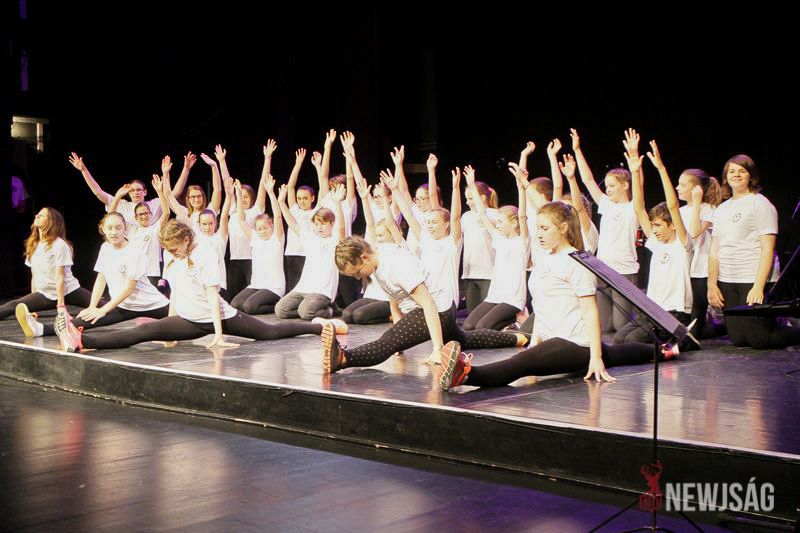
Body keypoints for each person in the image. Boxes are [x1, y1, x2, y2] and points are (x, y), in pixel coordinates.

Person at [438, 202, 655, 391]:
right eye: (538, 229)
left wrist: (595, 357)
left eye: (544, 228)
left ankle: (466, 375)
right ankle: (662, 352)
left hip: (576, 342)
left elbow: (590, 312)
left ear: (563, 228)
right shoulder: (544, 259)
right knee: (616, 354)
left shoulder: (577, 262)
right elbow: (541, 307)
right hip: (555, 339)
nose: (539, 234)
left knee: (523, 363)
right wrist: (535, 341)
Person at [54, 220, 330, 352]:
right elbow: (175, 292)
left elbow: (213, 297)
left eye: (174, 248)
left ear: (186, 240)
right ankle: (81, 341)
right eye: (168, 249)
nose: (171, 252)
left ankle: (318, 327)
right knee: (143, 332)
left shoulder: (205, 255)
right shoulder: (173, 258)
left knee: (269, 333)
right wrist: (170, 325)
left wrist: (218, 335)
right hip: (188, 319)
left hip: (220, 317)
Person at [322, 235, 528, 374]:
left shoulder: (395, 265)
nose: (358, 277)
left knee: (386, 343)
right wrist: (400, 338)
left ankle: (343, 358)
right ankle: (520, 338)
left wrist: (438, 348)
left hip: (436, 310)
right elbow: (394, 298)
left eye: (357, 272)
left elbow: (428, 303)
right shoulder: (378, 261)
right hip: (441, 307)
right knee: (463, 340)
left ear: (364, 257)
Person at [708, 154, 800, 349]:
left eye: (742, 171)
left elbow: (767, 248)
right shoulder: (722, 209)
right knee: (739, 340)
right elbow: (714, 250)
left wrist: (758, 287)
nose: (736, 175)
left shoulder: (760, 204)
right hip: (728, 278)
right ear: (726, 176)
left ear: (751, 176)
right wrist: (711, 284)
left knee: (760, 339)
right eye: (732, 171)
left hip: (753, 277)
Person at [613, 142, 697, 351]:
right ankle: (679, 339)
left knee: (632, 342)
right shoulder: (655, 243)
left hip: (673, 313)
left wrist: (660, 168)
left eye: (658, 225)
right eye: (653, 226)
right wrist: (635, 172)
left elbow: (673, 206)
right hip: (651, 310)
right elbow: (639, 208)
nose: (654, 230)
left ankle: (683, 337)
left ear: (672, 225)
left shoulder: (683, 245)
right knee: (619, 339)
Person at [574, 128, 640, 333]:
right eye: (607, 186)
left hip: (624, 272)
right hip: (603, 270)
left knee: (621, 326)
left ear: (625, 185)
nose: (607, 189)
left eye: (612, 185)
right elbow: (588, 180)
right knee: (603, 327)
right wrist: (577, 150)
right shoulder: (606, 205)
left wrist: (635, 162)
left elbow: (639, 188)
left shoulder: (633, 208)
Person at [462, 164, 528, 331]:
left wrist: (521, 187)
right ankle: (514, 325)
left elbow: (522, 215)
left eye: (500, 222)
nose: (497, 225)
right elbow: (482, 214)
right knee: (469, 326)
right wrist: (472, 185)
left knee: (483, 327)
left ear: (514, 223)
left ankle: (516, 317)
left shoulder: (522, 241)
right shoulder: (499, 239)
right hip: (495, 295)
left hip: (512, 298)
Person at [1, 207, 94, 321]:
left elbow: (60, 276)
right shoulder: (34, 245)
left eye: (41, 215)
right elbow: (35, 275)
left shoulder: (60, 244)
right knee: (12, 306)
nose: (36, 216)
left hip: (70, 291)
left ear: (51, 221)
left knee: (103, 307)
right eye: (37, 214)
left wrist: (61, 306)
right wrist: (32, 305)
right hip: (45, 295)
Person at [274, 182, 347, 320]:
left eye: (323, 224)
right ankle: (313, 309)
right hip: (303, 288)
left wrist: (337, 203)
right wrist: (281, 202)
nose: (319, 227)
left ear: (332, 224)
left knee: (305, 312)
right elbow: (292, 223)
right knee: (281, 310)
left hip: (322, 291)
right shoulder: (310, 238)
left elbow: (342, 229)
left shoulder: (334, 240)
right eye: (317, 224)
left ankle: (329, 310)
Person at [69, 151, 195, 228]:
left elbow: (175, 193)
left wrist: (186, 169)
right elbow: (98, 192)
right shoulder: (121, 204)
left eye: (139, 190)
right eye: (132, 190)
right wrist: (83, 170)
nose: (136, 192)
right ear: (128, 193)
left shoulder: (155, 204)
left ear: (145, 191)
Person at [229, 175, 286, 315]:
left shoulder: (277, 239)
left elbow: (278, 215)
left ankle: (278, 305)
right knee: (235, 305)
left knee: (249, 307)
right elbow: (241, 220)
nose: (262, 231)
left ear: (271, 226)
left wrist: (271, 193)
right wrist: (238, 195)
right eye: (259, 229)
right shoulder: (255, 238)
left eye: (265, 228)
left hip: (274, 287)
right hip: (256, 285)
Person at [226, 140, 273, 298]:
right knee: (233, 297)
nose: (243, 199)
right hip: (235, 259)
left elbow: (262, 183)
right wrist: (222, 161)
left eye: (246, 196)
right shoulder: (233, 209)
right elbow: (227, 184)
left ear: (252, 197)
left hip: (252, 259)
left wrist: (267, 158)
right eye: (241, 196)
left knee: (252, 295)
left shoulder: (256, 209)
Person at [283, 148, 314, 292]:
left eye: (305, 198)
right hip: (292, 253)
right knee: (293, 289)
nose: (302, 201)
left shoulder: (316, 212)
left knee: (308, 287)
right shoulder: (294, 210)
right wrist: (298, 164)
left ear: (312, 198)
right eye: (299, 198)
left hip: (308, 253)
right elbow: (290, 187)